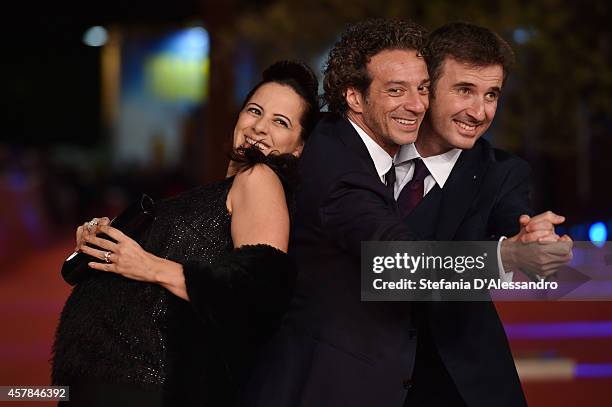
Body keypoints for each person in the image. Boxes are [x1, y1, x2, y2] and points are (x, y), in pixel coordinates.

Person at [243, 19, 571, 407]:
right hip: (350, 377)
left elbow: (516, 222)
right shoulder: (342, 155)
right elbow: (391, 261)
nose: (479, 111)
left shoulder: (500, 173)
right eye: (464, 90)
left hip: (456, 384)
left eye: (492, 95)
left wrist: (532, 243)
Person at [51, 60, 320, 406]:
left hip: (143, 388)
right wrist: (109, 242)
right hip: (110, 384)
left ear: (298, 148)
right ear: (239, 117)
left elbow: (260, 290)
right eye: (255, 111)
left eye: (280, 122)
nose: (260, 127)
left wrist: (147, 264)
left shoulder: (259, 179)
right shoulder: (222, 189)